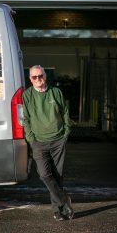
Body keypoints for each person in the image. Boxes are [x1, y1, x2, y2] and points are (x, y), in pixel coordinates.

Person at [23, 65, 74, 221]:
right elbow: (25, 119)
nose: (38, 79)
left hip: (58, 140)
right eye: (34, 77)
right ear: (30, 79)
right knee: (45, 175)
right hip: (39, 142)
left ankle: (58, 211)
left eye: (41, 76)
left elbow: (65, 112)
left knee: (57, 176)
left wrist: (66, 132)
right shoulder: (27, 95)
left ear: (45, 76)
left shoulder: (56, 92)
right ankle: (65, 200)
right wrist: (31, 139)